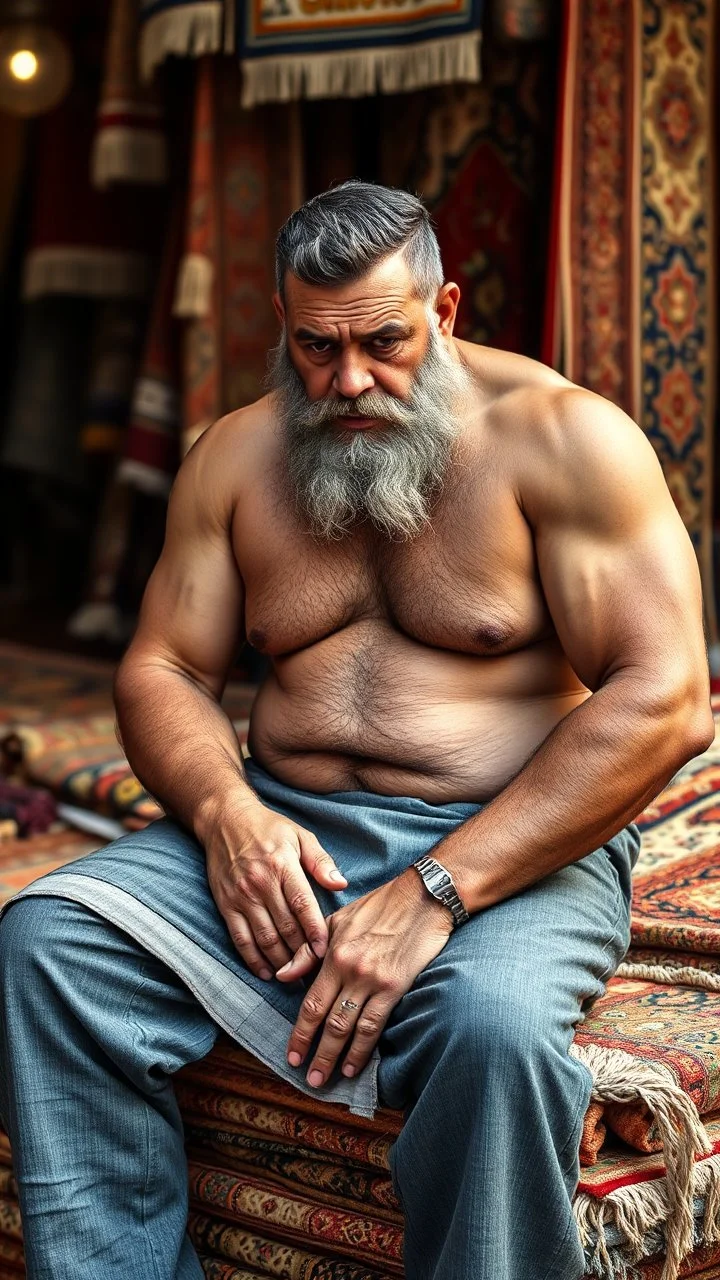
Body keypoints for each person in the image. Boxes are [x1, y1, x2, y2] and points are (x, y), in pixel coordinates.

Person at [0, 181, 713, 1280]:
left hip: (511, 838)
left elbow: (664, 695)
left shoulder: (567, 441)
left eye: (384, 341)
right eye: (315, 347)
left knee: (495, 1037)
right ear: (283, 326)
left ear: (447, 309)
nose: (347, 380)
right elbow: (163, 665)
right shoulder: (237, 455)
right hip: (289, 819)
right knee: (48, 944)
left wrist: (438, 888)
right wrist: (228, 813)